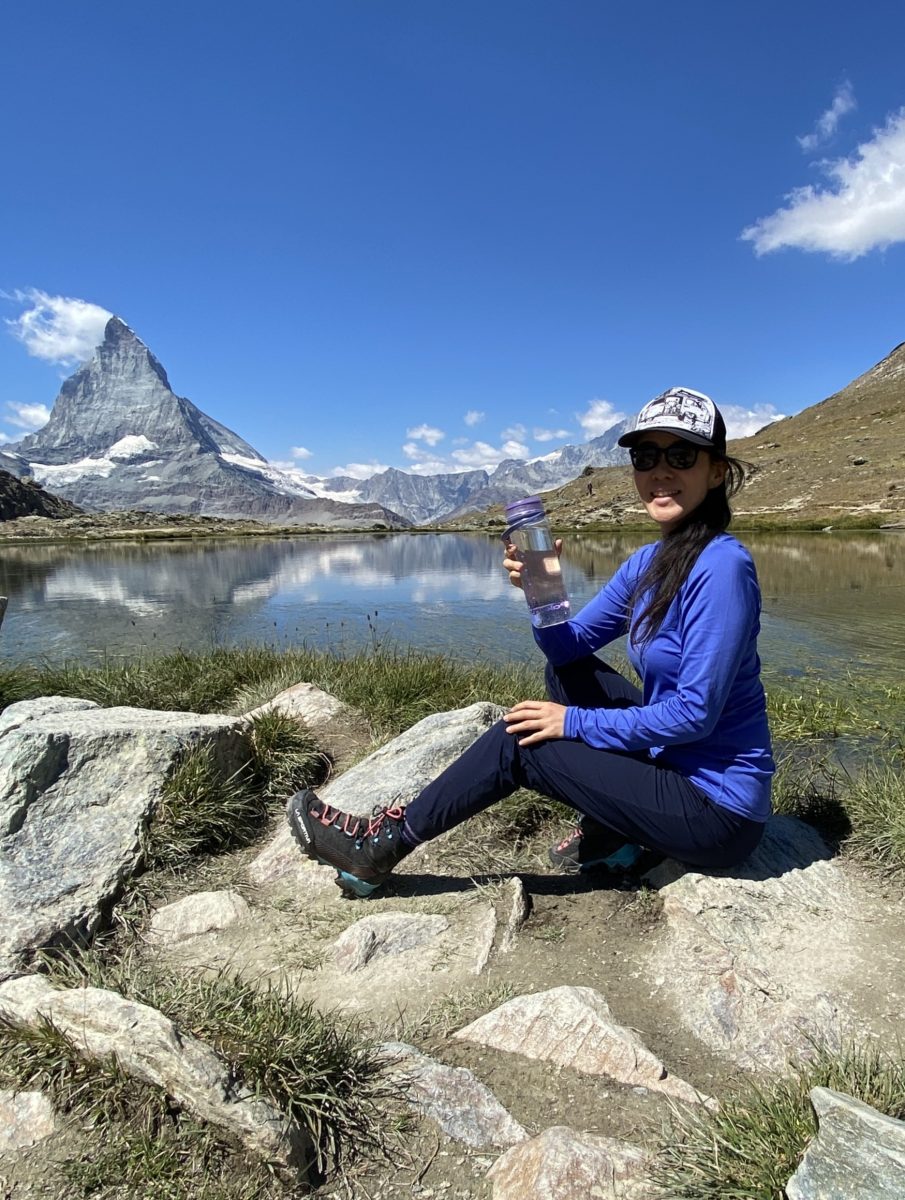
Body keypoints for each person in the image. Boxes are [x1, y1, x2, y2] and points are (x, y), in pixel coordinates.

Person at [287, 386, 774, 896]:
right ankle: (613, 830)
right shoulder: (649, 563)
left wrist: (572, 722)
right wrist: (542, 596)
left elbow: (694, 714)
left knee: (522, 743)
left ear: (716, 471)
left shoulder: (723, 566)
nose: (660, 470)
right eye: (645, 456)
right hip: (672, 766)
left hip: (718, 811)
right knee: (566, 673)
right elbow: (569, 649)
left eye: (681, 455)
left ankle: (380, 846)